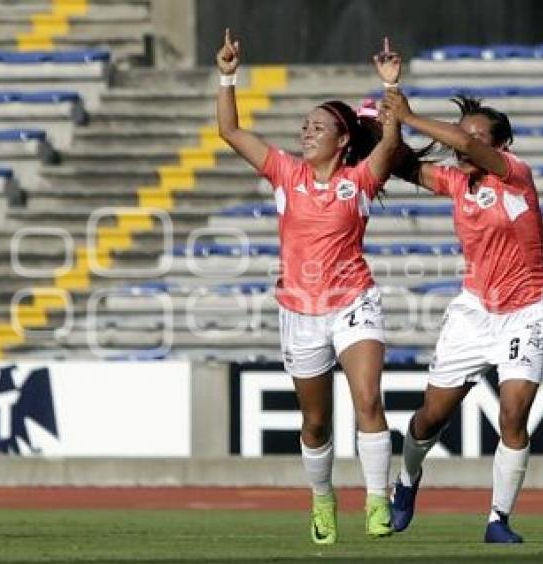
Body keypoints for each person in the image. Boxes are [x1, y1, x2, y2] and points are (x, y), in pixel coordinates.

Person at [216, 29, 401, 544]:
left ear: (342, 140)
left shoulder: (361, 179)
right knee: (316, 423)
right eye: (304, 125)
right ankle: (322, 498)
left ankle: (378, 499)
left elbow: (390, 143)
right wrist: (228, 73)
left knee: (368, 398)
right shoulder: (284, 173)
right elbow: (230, 130)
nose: (306, 131)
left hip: (354, 302)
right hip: (300, 310)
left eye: (318, 126)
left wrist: (390, 88)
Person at [379, 53, 543, 543]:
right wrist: (387, 112)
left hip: (527, 311)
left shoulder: (515, 172)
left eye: (480, 138)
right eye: (466, 135)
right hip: (475, 311)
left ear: (502, 145)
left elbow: (457, 142)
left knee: (513, 414)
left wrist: (411, 114)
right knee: (432, 415)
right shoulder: (458, 183)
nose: (467, 143)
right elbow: (399, 165)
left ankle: (498, 519)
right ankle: (407, 481)